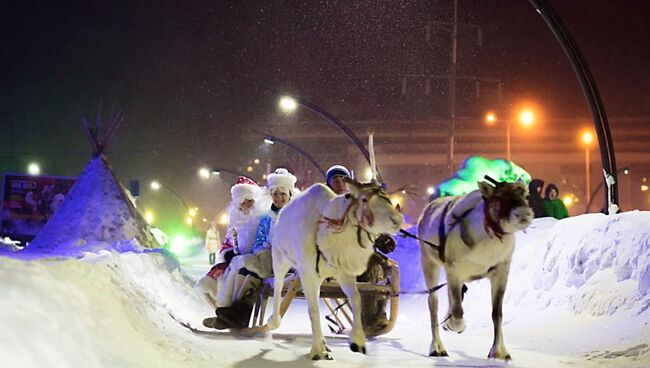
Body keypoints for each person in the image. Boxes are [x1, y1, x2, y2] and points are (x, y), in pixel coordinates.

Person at [324, 164, 395, 331]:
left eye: (344, 179)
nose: (340, 183)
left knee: (376, 267)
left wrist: (381, 238)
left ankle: (376, 315)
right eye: (336, 179)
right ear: (328, 184)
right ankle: (369, 320)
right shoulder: (325, 205)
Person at [198, 176, 267, 329]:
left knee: (239, 275)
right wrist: (228, 253)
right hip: (236, 260)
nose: (246, 205)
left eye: (250, 200)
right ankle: (223, 314)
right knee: (208, 284)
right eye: (242, 201)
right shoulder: (235, 221)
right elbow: (227, 243)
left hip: (255, 261)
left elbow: (265, 242)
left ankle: (230, 317)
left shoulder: (262, 220)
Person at [252, 168, 299, 277]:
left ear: (290, 194)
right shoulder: (266, 217)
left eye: (283, 194)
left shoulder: (298, 215)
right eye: (275, 194)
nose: (279, 198)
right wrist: (264, 252)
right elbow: (258, 242)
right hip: (270, 260)